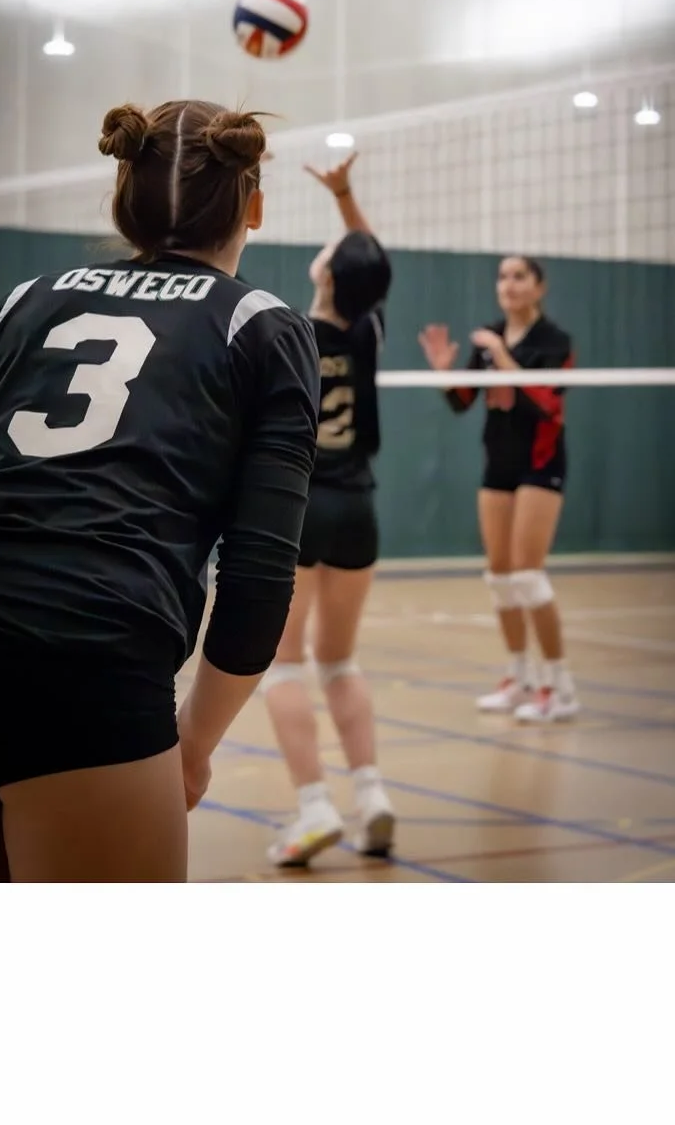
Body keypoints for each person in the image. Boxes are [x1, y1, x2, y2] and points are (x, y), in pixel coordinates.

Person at [0, 100, 321, 882]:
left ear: (122, 200)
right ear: (254, 207)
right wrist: (194, 744)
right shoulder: (262, 325)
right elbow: (260, 574)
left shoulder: (24, 299)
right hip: (87, 660)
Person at [261, 152, 397, 868]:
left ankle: (315, 807)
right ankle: (371, 796)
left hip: (300, 509)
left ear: (326, 277)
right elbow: (370, 261)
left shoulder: (288, 335)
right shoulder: (368, 332)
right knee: (340, 659)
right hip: (358, 509)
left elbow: (363, 258)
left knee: (282, 666)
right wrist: (345, 197)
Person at [418, 256, 579, 723]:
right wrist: (445, 373)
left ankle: (559, 685)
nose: (508, 284)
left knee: (528, 576)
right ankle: (519, 676)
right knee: (501, 578)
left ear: (539, 288)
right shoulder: (488, 337)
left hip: (540, 465)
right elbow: (464, 402)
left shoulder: (554, 342)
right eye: (503, 276)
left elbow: (546, 402)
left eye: (519, 276)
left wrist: (502, 355)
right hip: (499, 466)